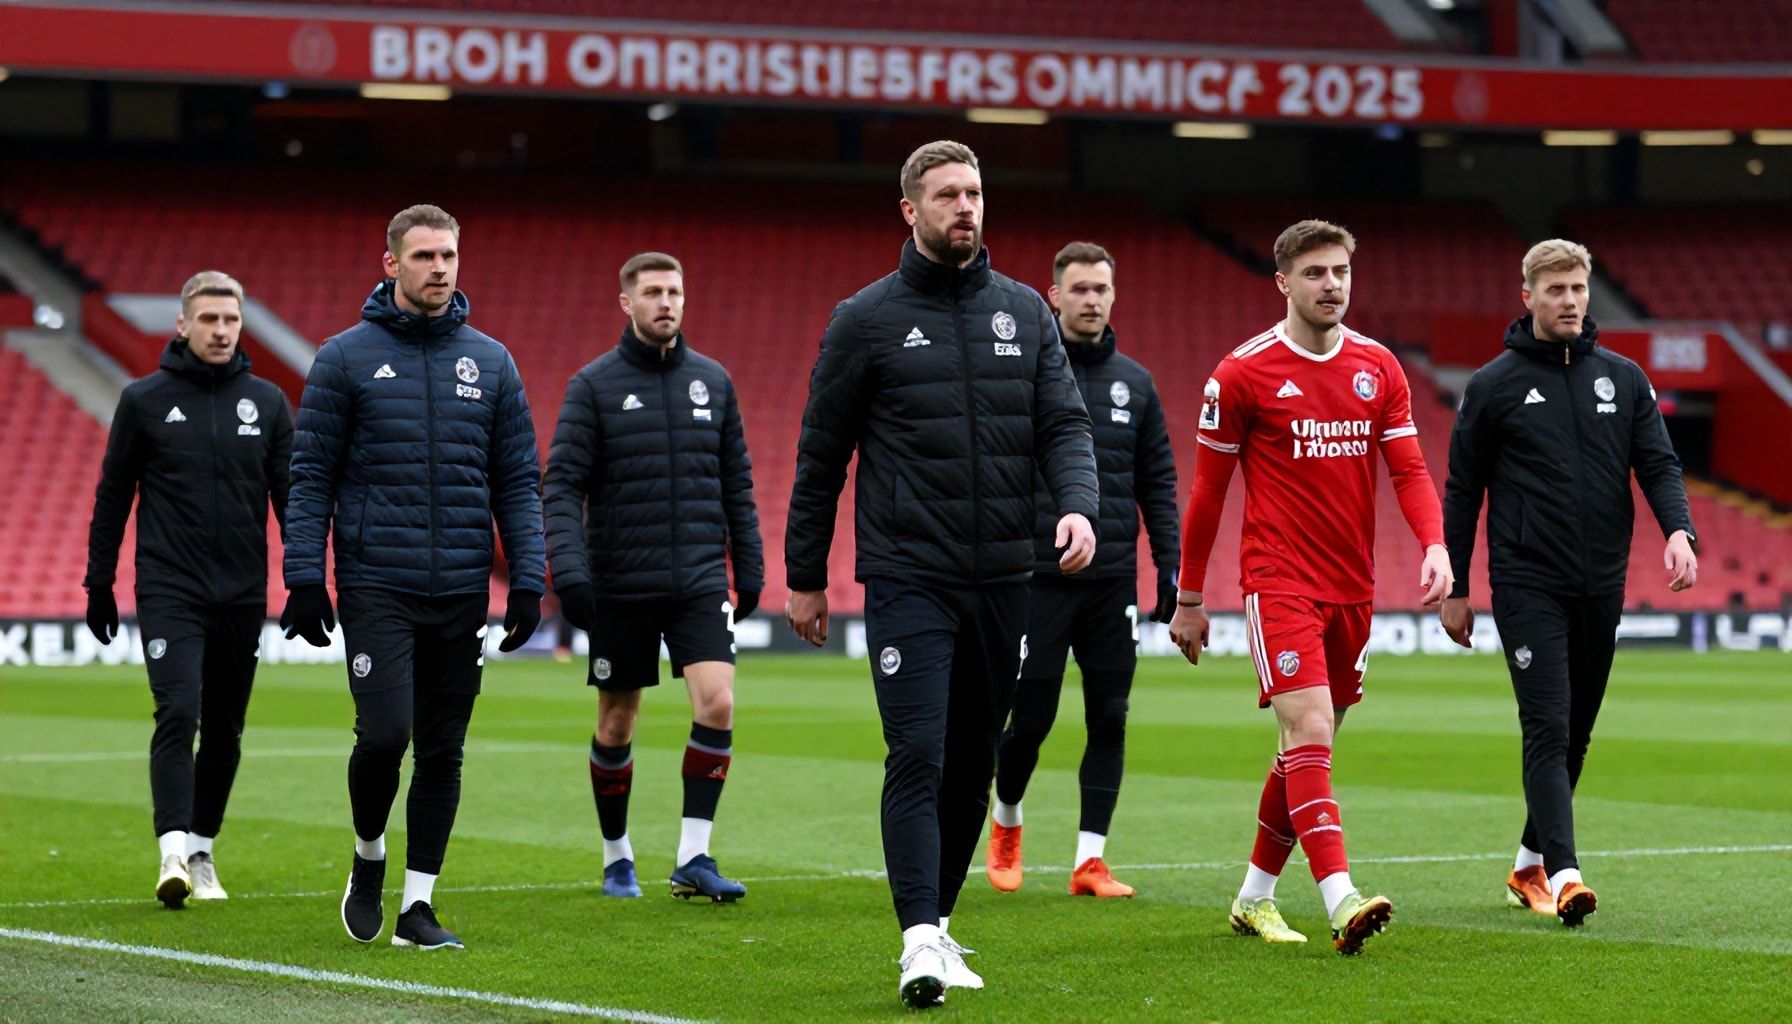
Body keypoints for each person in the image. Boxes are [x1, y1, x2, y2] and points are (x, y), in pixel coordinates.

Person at [785, 140, 1099, 1008]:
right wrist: (804, 575)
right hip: (908, 573)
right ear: (910, 211)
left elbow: (1065, 427)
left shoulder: (1027, 314)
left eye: (975, 192)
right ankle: (918, 938)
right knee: (916, 751)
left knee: (973, 765)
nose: (966, 207)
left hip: (1006, 572)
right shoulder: (866, 319)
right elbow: (822, 456)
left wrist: (1077, 504)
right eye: (949, 195)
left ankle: (939, 925)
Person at [1168, 220, 1453, 955]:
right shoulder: (1242, 374)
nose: (1333, 285)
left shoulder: (1379, 368)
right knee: (1311, 731)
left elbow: (1410, 471)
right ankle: (1342, 898)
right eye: (1317, 273)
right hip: (1278, 581)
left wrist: (1435, 545)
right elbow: (1207, 493)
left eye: (1341, 272)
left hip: (1353, 587)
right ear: (1284, 283)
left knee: (1304, 753)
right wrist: (1189, 598)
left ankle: (1253, 898)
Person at [282, 204, 546, 950]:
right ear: (390, 263)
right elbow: (310, 477)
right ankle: (369, 856)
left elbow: (518, 479)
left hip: (462, 588)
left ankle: (417, 906)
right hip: (377, 583)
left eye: (450, 255)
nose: (440, 268)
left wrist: (529, 576)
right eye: (425, 255)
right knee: (385, 735)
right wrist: (305, 575)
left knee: (443, 749)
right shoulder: (343, 359)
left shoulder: (491, 363)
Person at [1440, 238, 1697, 927]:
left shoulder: (1625, 377)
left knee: (1577, 731)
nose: (1570, 301)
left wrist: (1679, 530)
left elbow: (1660, 465)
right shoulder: (1493, 385)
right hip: (1528, 581)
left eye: (1578, 288)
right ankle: (1566, 875)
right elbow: (1462, 489)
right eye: (1555, 289)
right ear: (1527, 297)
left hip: (1602, 581)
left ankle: (1528, 864)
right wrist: (1457, 586)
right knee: (1548, 726)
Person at [544, 251, 763, 904]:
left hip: (697, 578)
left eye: (675, 292)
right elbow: (561, 486)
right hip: (620, 582)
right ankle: (618, 857)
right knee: (617, 722)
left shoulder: (713, 383)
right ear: (627, 303)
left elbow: (737, 485)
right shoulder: (594, 386)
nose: (667, 302)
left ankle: (693, 857)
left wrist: (748, 564)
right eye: (653, 292)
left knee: (718, 702)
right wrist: (572, 571)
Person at [83, 270, 291, 908]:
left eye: (231, 320)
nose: (222, 331)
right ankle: (171, 852)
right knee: (178, 712)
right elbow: (113, 495)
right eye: (209, 320)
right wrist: (98, 582)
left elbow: (292, 499)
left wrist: (308, 581)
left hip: (243, 592)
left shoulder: (269, 401)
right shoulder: (143, 401)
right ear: (183, 325)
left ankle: (202, 848)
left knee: (226, 729)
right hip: (170, 587)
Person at [987, 242, 1178, 899]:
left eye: (1102, 288)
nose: (1092, 299)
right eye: (1080, 289)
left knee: (1111, 715)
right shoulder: (1024, 376)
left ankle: (1090, 861)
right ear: (1055, 295)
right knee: (1030, 721)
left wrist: (1170, 568)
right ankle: (1006, 819)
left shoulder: (1138, 384)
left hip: (1112, 582)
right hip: (1037, 576)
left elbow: (1158, 485)